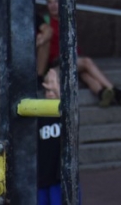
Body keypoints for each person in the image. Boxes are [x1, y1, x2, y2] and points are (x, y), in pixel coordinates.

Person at [37, 0, 121, 107]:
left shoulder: (67, 21)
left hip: (69, 61)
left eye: (56, 1)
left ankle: (102, 93)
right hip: (55, 66)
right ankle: (114, 90)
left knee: (83, 73)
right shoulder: (45, 23)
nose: (53, 5)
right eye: (49, 2)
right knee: (86, 62)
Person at [37, 67, 80, 205]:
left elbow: (68, 104)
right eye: (48, 88)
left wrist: (58, 89)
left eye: (55, 85)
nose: (51, 92)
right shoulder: (37, 110)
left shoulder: (69, 110)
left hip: (62, 176)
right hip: (42, 176)